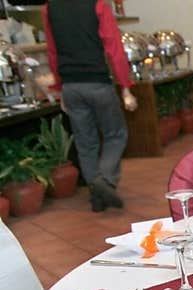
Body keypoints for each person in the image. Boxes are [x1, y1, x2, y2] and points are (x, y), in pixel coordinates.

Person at [42, 0, 138, 212]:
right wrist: (125, 87)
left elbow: (52, 51)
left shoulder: (51, 7)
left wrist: (60, 88)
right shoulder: (98, 4)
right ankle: (105, 180)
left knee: (86, 143)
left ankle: (97, 196)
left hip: (71, 86)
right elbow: (114, 47)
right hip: (98, 83)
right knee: (116, 134)